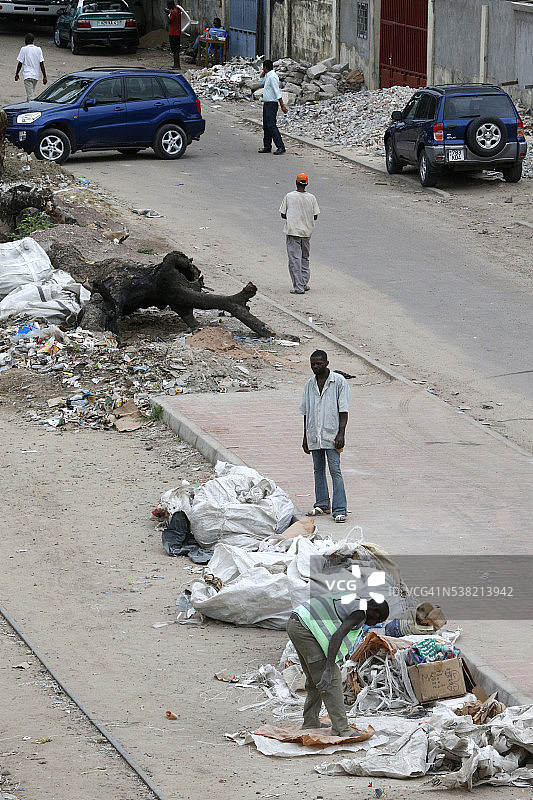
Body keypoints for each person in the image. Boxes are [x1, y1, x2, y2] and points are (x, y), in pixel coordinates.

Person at [287, 594, 389, 736]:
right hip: (304, 628)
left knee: (314, 678)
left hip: (297, 622)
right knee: (330, 679)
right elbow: (337, 636)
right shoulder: (360, 613)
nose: (375, 624)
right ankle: (341, 729)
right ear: (375, 611)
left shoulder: (357, 604)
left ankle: (311, 722)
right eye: (378, 620)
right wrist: (329, 668)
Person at [300, 350, 350, 523]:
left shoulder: (339, 382)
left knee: (335, 470)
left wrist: (341, 433)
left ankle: (340, 509)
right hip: (315, 434)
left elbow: (343, 411)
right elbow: (306, 412)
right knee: (318, 469)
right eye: (313, 364)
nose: (315, 366)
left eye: (319, 363)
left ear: (327, 363)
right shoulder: (309, 385)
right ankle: (322, 503)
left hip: (332, 435)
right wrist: (306, 437)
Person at [279, 173, 320, 294]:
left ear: (296, 183)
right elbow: (315, 216)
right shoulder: (312, 198)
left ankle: (298, 287)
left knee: (294, 260)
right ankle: (304, 282)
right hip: (306, 233)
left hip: (293, 232)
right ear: (306, 184)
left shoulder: (289, 196)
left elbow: (282, 214)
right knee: (304, 258)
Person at [257, 59, 287, 155]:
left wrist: (282, 105)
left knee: (271, 126)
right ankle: (267, 146)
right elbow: (260, 82)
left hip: (272, 104)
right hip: (267, 104)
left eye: (263, 68)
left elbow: (277, 91)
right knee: (266, 126)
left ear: (265, 67)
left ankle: (280, 146)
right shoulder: (268, 76)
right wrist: (263, 73)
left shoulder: (272, 77)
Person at [15, 33, 47, 101]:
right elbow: (41, 64)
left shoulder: (23, 49)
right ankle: (27, 108)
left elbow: (20, 63)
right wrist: (44, 76)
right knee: (30, 93)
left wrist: (17, 73)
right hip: (35, 76)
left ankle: (33, 109)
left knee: (30, 96)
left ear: (26, 40)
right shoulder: (38, 49)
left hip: (27, 76)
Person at [166, 0, 191, 70]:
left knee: (175, 50)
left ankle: (176, 65)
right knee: (176, 49)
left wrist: (167, 14)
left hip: (173, 33)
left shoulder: (174, 12)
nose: (168, 7)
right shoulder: (177, 11)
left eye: (168, 5)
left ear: (171, 4)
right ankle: (176, 65)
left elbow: (170, 22)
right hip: (176, 33)